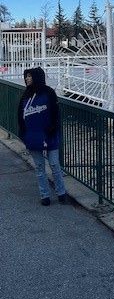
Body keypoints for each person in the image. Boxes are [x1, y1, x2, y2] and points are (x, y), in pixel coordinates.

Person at [17, 67, 66, 206]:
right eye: (26, 76)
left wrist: (53, 128)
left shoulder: (49, 93)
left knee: (54, 164)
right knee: (39, 167)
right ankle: (45, 195)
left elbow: (56, 113)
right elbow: (20, 116)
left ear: (36, 77)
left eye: (29, 76)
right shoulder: (25, 95)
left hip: (50, 135)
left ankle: (61, 192)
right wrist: (23, 133)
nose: (27, 79)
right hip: (32, 136)